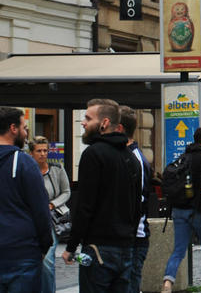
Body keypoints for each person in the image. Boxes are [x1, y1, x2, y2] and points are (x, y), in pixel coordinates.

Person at [63, 99, 141, 292]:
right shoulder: (132, 158)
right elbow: (137, 206)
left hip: (99, 247)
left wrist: (71, 246)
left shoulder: (93, 154)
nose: (83, 123)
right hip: (125, 247)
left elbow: (85, 205)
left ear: (104, 123)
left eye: (88, 118)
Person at [162, 127, 201, 293]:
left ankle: (167, 283)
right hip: (199, 210)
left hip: (179, 209)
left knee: (179, 250)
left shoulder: (184, 156)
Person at [0, 107, 52, 293]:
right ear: (13, 128)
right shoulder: (24, 162)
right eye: (24, 127)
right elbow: (40, 210)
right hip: (22, 254)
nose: (26, 132)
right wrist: (44, 245)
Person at [119, 107, 153, 293]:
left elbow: (136, 202)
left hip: (134, 237)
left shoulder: (134, 159)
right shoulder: (126, 156)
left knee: (130, 284)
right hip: (128, 236)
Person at [29, 135, 69, 293]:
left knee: (47, 261)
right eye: (39, 151)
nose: (43, 154)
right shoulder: (27, 170)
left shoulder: (57, 169)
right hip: (31, 220)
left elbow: (66, 192)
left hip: (51, 220)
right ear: (31, 153)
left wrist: (52, 204)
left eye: (45, 150)